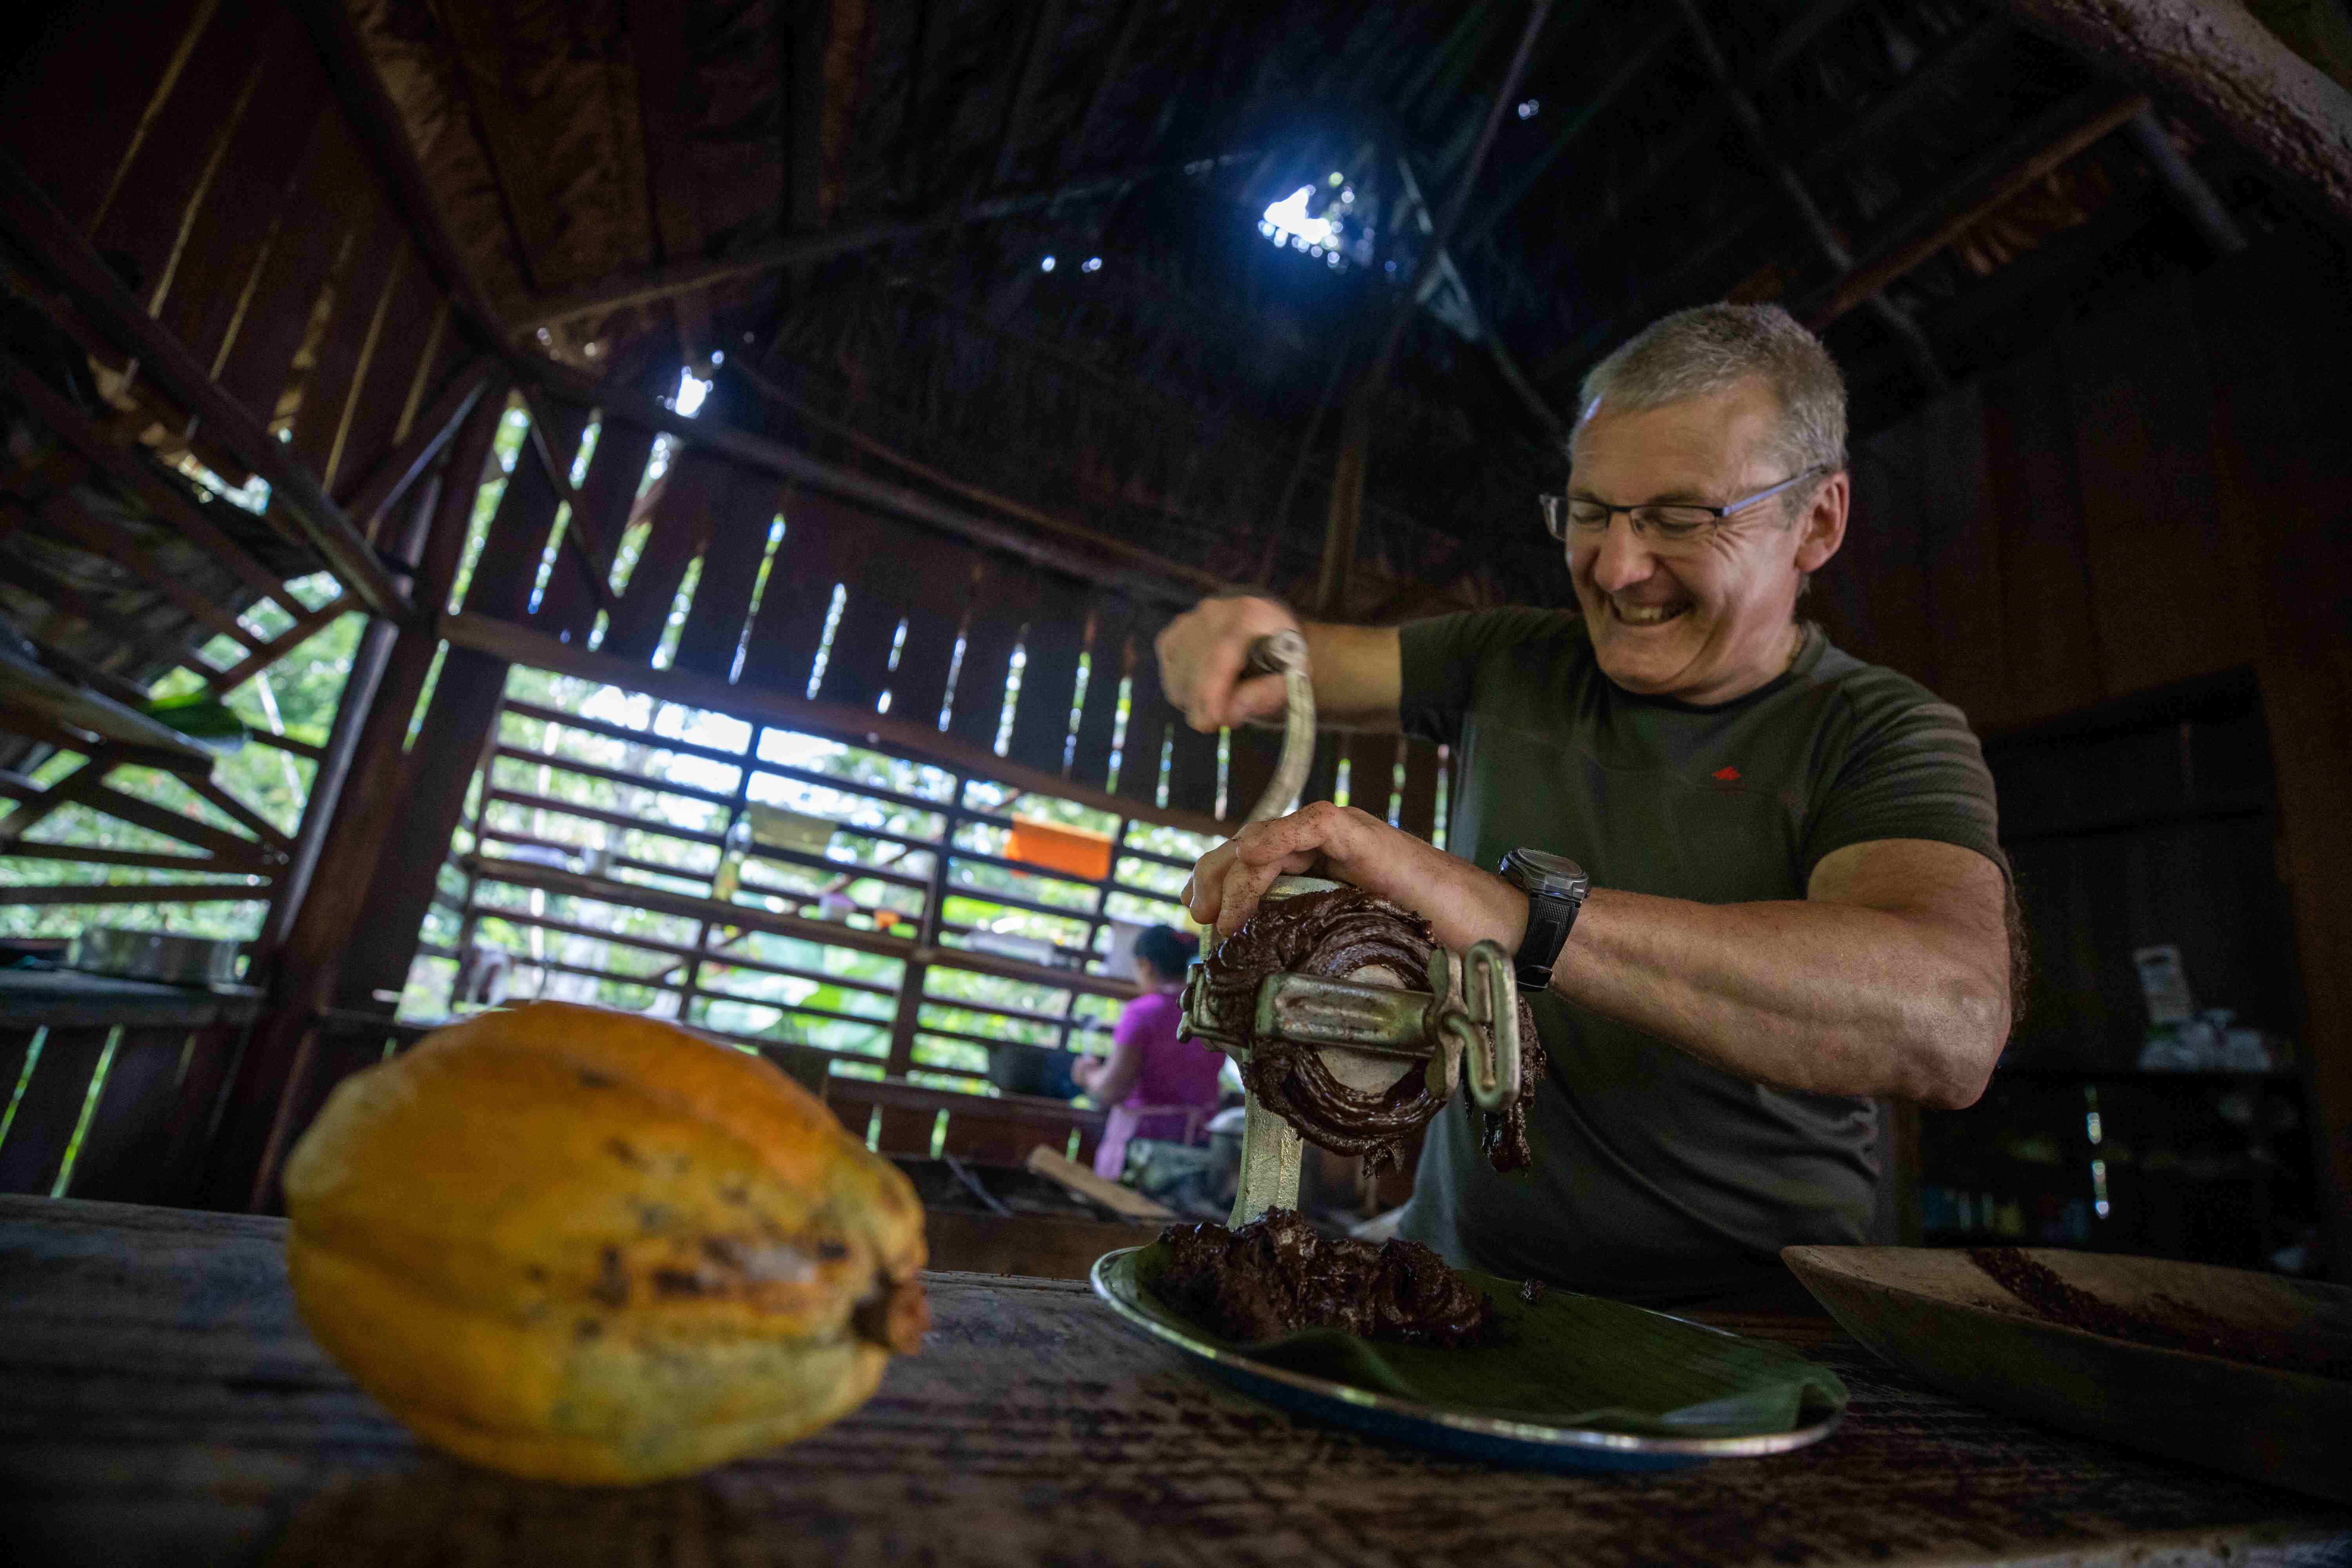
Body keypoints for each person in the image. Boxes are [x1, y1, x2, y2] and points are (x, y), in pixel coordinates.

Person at [1156, 303, 2013, 1308]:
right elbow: (1302, 663)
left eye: (1682, 518)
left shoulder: (1879, 733)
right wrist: (1250, 634)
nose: (1616, 568)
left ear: (1816, 521)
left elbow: (1951, 1022)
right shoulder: (1513, 661)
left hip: (1745, 1335)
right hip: (1454, 1291)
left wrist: (1518, 919)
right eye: (1593, 510)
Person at [1072, 924, 1224, 1181]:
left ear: (1146, 966)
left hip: (1144, 1157)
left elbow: (1112, 1090)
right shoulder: (1209, 1012)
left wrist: (1087, 1075)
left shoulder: (1143, 1013)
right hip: (1199, 1153)